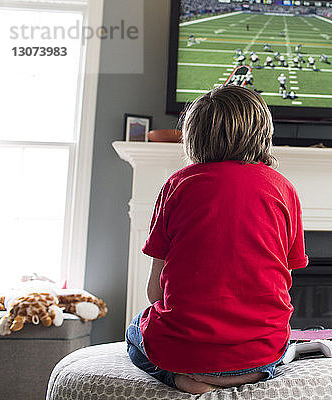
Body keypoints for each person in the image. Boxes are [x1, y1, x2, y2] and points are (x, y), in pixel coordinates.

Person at [125, 86, 308, 395]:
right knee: (279, 338)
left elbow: (154, 294)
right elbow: (284, 282)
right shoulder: (284, 190)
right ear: (263, 133)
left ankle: (177, 380)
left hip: (184, 355)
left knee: (133, 332)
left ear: (193, 136)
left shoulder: (176, 185)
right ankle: (254, 376)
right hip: (260, 356)